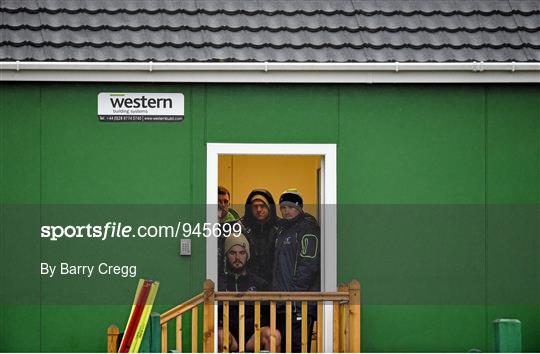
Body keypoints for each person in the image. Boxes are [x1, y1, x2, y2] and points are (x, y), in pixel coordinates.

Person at [272, 189, 320, 353]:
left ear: (299, 208)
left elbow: (308, 266)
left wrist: (293, 296)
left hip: (299, 304)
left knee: (297, 347)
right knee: (284, 347)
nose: (286, 211)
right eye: (283, 207)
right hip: (283, 303)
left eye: (291, 207)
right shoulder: (282, 230)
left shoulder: (308, 229)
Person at [218, 233, 281, 352]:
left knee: (273, 335)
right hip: (230, 334)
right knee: (221, 336)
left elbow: (269, 314)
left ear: (248, 255)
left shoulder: (259, 283)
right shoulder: (220, 283)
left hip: (254, 335)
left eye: (242, 253)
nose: (237, 258)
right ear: (226, 255)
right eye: (232, 253)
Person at [239, 189, 279, 285]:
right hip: (248, 284)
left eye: (263, 206)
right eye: (255, 206)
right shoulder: (242, 228)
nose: (259, 210)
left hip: (275, 284)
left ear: (270, 207)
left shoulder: (280, 227)